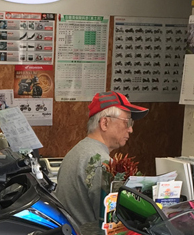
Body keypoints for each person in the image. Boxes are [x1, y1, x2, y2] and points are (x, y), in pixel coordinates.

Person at [57, 91, 148, 227]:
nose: (130, 129)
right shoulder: (103, 164)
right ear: (104, 123)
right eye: (127, 122)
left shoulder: (78, 151)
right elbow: (112, 222)